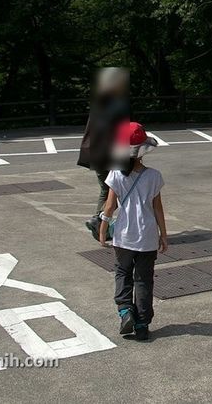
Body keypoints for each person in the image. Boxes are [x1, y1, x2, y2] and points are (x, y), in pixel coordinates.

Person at [97, 121, 167, 342]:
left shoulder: (116, 174)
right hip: (147, 237)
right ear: (143, 150)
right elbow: (158, 208)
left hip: (124, 237)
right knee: (144, 280)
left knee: (122, 273)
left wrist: (103, 228)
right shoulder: (154, 176)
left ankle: (126, 310)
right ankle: (142, 323)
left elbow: (109, 207)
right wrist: (163, 234)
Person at [78, 67, 131, 240]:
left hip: (95, 152)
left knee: (105, 189)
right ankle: (100, 221)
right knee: (119, 191)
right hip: (111, 154)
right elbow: (123, 133)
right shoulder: (119, 104)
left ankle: (100, 224)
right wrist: (126, 160)